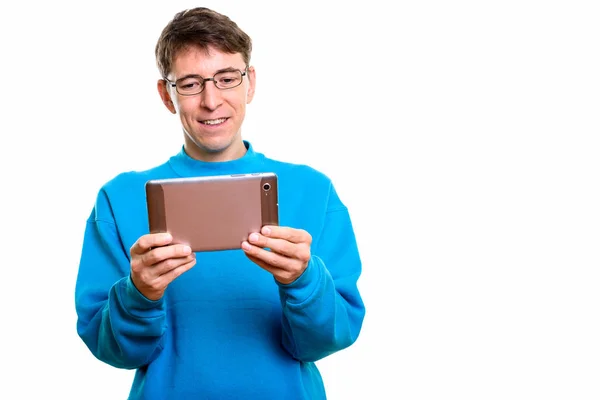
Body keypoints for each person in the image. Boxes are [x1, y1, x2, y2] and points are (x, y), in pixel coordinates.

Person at [74, 6, 365, 400]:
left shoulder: (313, 190)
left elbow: (327, 340)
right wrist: (138, 293)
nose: (212, 101)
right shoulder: (119, 198)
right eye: (191, 84)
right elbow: (114, 351)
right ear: (166, 94)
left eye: (227, 78)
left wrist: (303, 280)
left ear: (250, 83)